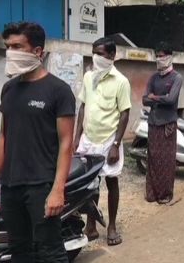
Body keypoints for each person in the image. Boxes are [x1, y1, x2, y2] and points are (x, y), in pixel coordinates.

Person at [0, 21, 75, 263]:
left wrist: (58, 189)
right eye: (8, 47)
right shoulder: (9, 89)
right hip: (11, 186)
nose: (10, 53)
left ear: (38, 51)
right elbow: (3, 136)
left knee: (51, 251)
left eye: (17, 46)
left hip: (41, 185)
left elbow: (66, 143)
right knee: (19, 251)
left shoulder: (59, 90)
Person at [73, 38, 131, 245]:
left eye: (100, 53)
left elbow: (125, 113)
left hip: (109, 140)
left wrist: (116, 144)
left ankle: (112, 226)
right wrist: (77, 136)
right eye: (94, 52)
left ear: (112, 56)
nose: (96, 57)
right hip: (88, 139)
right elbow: (82, 107)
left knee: (111, 181)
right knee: (90, 183)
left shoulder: (121, 81)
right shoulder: (89, 77)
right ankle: (91, 225)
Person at [142, 47, 183, 205]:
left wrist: (154, 97)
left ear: (170, 57)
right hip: (153, 123)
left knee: (166, 160)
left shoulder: (176, 77)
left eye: (162, 55)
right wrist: (160, 98)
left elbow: (172, 99)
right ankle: (152, 193)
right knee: (152, 157)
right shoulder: (153, 78)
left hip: (167, 124)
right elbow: (145, 100)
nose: (159, 58)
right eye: (157, 56)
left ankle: (165, 193)